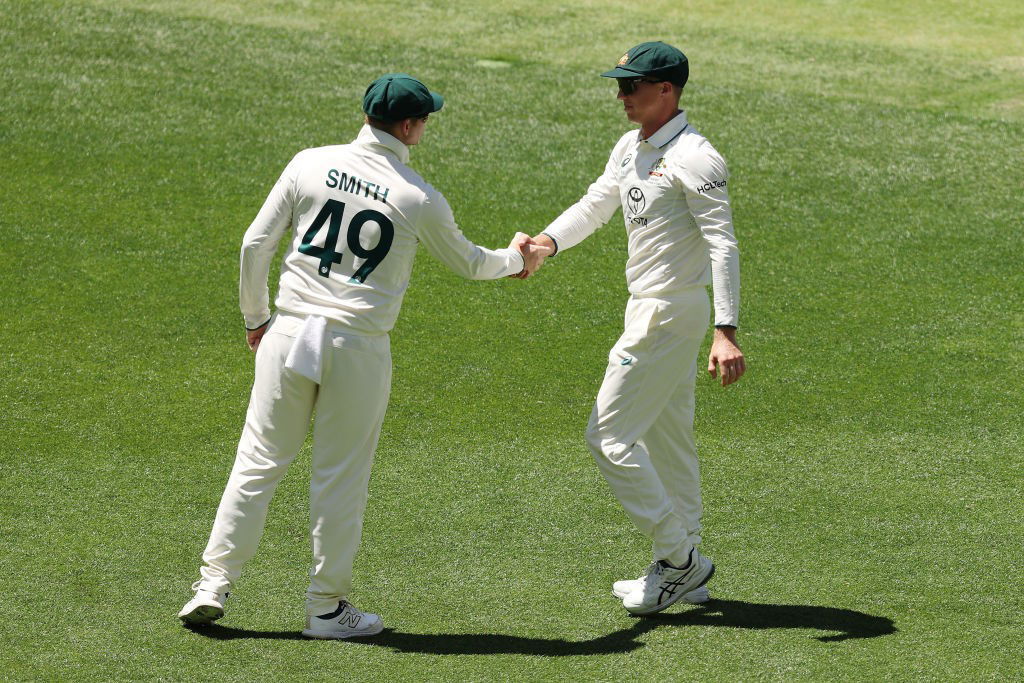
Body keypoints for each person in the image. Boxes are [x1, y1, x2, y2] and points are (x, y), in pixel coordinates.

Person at [178, 73, 550, 639]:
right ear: (407, 126)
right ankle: (326, 608)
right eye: (424, 119)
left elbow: (256, 243)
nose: (425, 127)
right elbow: (471, 263)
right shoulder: (414, 195)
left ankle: (212, 585)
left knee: (256, 464)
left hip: (289, 334)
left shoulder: (309, 162)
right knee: (340, 480)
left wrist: (256, 319)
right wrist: (516, 258)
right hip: (358, 349)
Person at [524, 42, 745, 615]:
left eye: (632, 86)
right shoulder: (632, 145)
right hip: (648, 307)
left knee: (609, 437)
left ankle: (677, 560)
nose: (620, 96)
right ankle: (686, 562)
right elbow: (598, 201)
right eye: (620, 85)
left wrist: (727, 330)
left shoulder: (697, 157)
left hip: (669, 314)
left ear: (666, 90)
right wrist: (549, 242)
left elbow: (723, 244)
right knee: (668, 438)